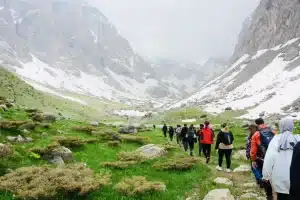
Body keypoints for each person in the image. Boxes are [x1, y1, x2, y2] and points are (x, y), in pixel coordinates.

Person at [263, 118, 300, 200]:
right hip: (297, 178)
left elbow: (269, 158)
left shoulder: (276, 139)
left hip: (280, 177)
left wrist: (266, 175)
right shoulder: (298, 138)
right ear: (292, 127)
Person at [250, 118, 277, 200]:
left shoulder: (256, 134)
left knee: (265, 177)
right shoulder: (273, 132)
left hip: (262, 159)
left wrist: (253, 160)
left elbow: (253, 150)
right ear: (263, 123)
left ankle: (269, 196)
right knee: (275, 176)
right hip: (275, 158)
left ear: (256, 124)